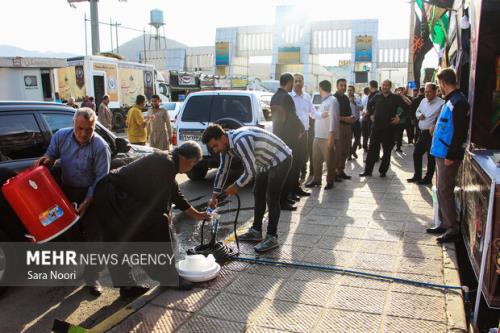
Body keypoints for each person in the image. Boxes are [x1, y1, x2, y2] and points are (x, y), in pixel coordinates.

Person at [83, 142, 211, 298]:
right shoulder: (165, 163)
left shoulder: (168, 164)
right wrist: (166, 216)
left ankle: (127, 287)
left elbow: (177, 197)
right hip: (112, 196)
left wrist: (199, 215)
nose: (191, 168)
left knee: (120, 240)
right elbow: (158, 205)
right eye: (193, 163)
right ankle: (168, 278)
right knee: (155, 227)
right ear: (184, 158)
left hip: (109, 195)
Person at [36, 107, 111, 296]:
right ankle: (76, 268)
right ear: (73, 125)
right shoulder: (61, 136)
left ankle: (92, 277)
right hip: (65, 192)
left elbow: (101, 181)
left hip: (92, 193)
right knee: (68, 234)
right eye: (80, 128)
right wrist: (46, 160)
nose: (84, 133)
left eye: (89, 129)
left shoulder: (100, 147)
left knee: (94, 237)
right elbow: (50, 155)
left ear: (94, 127)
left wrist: (87, 202)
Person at [203, 125, 292, 252]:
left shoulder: (241, 140)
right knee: (257, 192)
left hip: (280, 158)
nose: (215, 150)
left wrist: (236, 186)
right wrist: (214, 197)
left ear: (222, 138)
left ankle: (272, 237)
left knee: (271, 197)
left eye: (215, 145)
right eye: (212, 148)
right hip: (264, 163)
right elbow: (222, 170)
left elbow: (251, 171)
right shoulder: (226, 147)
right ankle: (256, 231)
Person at [428, 68, 470, 243]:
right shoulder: (451, 100)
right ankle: (444, 223)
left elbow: (459, 132)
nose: (439, 87)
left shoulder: (458, 102)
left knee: (445, 190)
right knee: (441, 189)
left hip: (448, 155)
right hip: (441, 152)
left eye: (439, 84)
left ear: (444, 83)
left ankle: (452, 228)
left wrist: (451, 155)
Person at [359, 80, 410, 177]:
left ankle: (383, 171)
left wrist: (399, 118)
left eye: (387, 85)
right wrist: (370, 114)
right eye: (383, 85)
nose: (385, 87)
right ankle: (367, 171)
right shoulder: (377, 96)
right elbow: (369, 105)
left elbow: (407, 108)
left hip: (389, 128)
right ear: (381, 86)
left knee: (387, 151)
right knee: (372, 150)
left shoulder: (395, 98)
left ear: (390, 87)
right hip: (376, 128)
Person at [271, 73, 305, 210]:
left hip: (277, 136)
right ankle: (283, 201)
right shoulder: (286, 97)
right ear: (289, 82)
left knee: (282, 169)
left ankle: (285, 198)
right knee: (288, 169)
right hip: (288, 138)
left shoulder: (274, 97)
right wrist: (302, 128)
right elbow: (293, 116)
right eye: (292, 82)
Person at [407, 83, 444, 185]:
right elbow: (417, 111)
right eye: (425, 92)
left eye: (429, 92)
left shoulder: (441, 103)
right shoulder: (423, 101)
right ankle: (417, 175)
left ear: (435, 91)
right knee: (416, 153)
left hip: (432, 134)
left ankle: (428, 178)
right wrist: (419, 115)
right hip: (422, 132)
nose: (426, 94)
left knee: (430, 157)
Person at [305, 80, 339, 190]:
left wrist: (331, 136)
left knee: (329, 161)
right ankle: (317, 180)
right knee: (316, 160)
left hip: (326, 137)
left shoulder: (332, 101)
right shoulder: (324, 101)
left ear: (320, 88)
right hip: (318, 136)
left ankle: (330, 181)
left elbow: (334, 120)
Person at [289, 73, 314, 195]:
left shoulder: (307, 97)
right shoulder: (289, 97)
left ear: (303, 82)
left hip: (305, 134)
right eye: (296, 81)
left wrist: (325, 115)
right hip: (293, 135)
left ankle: (296, 187)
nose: (298, 83)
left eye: (300, 81)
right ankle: (291, 189)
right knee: (293, 163)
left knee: (301, 161)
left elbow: (313, 113)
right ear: (293, 83)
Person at [333, 79, 354, 181]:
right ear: (337, 86)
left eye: (344, 85)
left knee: (345, 151)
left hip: (347, 127)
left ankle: (341, 171)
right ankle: (334, 173)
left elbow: (348, 112)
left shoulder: (346, 98)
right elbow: (332, 115)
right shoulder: (334, 98)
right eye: (341, 85)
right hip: (338, 127)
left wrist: (351, 118)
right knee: (338, 151)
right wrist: (344, 118)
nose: (343, 87)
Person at [361, 81, 379, 151]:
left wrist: (369, 114)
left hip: (372, 119)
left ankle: (374, 155)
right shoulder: (375, 94)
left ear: (370, 86)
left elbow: (373, 107)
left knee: (373, 138)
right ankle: (374, 154)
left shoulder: (375, 95)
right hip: (370, 118)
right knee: (372, 137)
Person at [349, 85, 362, 160]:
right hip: (348, 122)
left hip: (356, 121)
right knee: (349, 140)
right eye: (349, 90)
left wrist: (354, 102)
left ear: (354, 91)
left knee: (357, 139)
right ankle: (350, 155)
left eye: (351, 90)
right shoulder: (345, 99)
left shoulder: (357, 98)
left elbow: (361, 107)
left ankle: (352, 151)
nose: (350, 91)